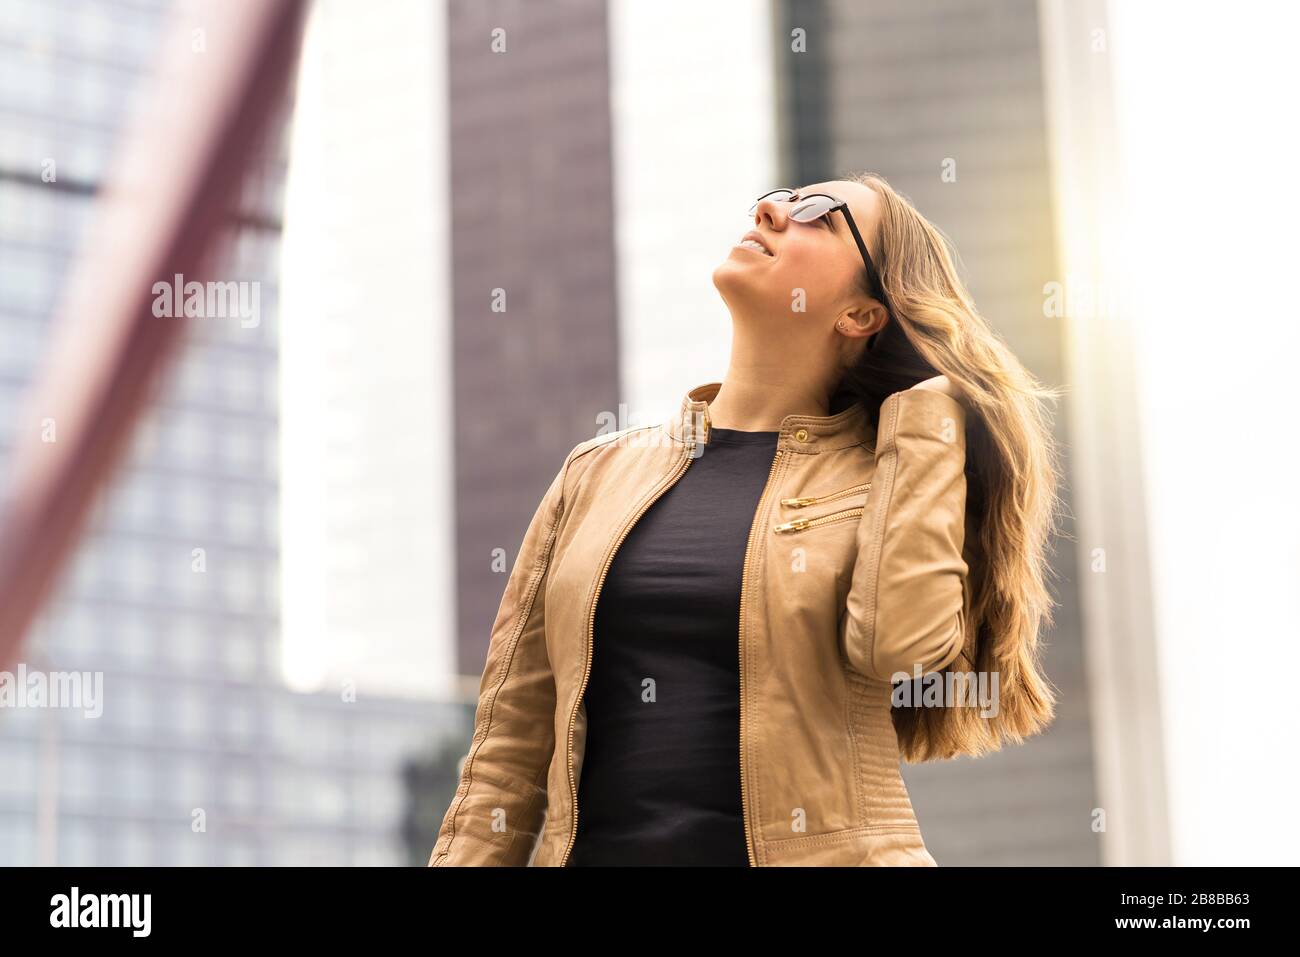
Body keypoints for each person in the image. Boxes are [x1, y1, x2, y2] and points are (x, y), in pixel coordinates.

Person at [430, 172, 1062, 867]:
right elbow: (505, 759)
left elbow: (903, 649)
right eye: (782, 197)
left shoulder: (887, 476)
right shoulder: (595, 475)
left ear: (861, 314)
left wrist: (933, 411)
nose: (770, 208)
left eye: (819, 215)